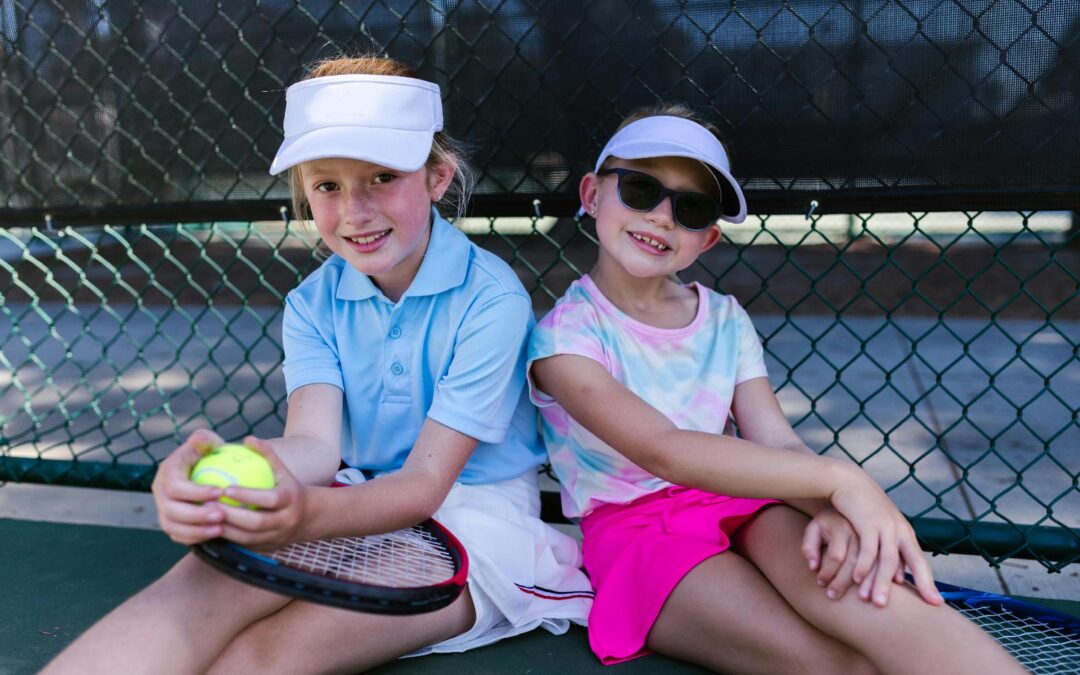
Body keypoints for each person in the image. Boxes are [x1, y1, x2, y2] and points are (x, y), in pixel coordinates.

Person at [43, 55, 592, 675]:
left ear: (438, 178)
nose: (354, 211)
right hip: (349, 498)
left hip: (478, 522)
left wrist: (305, 515)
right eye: (327, 185)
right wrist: (222, 480)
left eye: (383, 176)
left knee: (268, 657)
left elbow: (420, 489)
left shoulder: (493, 300)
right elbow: (314, 446)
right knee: (194, 592)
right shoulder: (311, 303)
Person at [526, 105, 1024, 673]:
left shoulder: (723, 319)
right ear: (591, 194)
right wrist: (843, 482)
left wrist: (821, 505)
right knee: (836, 665)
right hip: (636, 533)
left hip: (744, 498)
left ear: (708, 238)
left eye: (690, 208)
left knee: (884, 609)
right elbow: (665, 449)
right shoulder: (564, 337)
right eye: (640, 189)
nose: (663, 216)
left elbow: (777, 444)